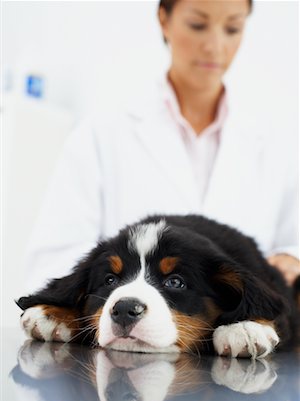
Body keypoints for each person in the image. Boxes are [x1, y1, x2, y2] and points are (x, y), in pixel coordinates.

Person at [24, 0, 299, 293]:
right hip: (123, 333)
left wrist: (290, 259)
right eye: (198, 25)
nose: (215, 46)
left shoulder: (274, 144)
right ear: (164, 19)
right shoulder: (102, 134)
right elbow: (53, 267)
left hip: (241, 330)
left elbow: (292, 244)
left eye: (233, 28)